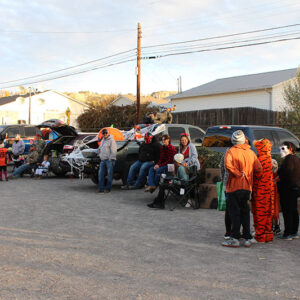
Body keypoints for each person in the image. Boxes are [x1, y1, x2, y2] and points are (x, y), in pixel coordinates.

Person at [222, 130, 262, 248]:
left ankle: (234, 238)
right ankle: (247, 238)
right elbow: (259, 169)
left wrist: (238, 174)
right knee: (245, 212)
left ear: (233, 140)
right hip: (247, 187)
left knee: (234, 213)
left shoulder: (230, 151)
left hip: (234, 186)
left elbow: (227, 166)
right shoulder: (251, 153)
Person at [251, 139, 274, 243]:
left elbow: (258, 175)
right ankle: (268, 234)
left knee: (260, 212)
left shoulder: (260, 159)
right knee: (268, 213)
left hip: (260, 190)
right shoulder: (269, 158)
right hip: (269, 190)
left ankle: (259, 235)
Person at [277, 141, 300, 240]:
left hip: (288, 188)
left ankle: (288, 233)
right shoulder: (296, 158)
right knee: (293, 210)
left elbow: (287, 172)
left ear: (290, 149)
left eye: (283, 148)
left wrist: (278, 178)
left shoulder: (289, 159)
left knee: (287, 210)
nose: (281, 151)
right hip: (294, 187)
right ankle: (294, 231)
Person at [97, 128, 117, 193]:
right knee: (100, 174)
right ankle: (101, 189)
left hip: (109, 160)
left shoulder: (111, 140)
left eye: (106, 133)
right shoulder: (102, 140)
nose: (105, 134)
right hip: (102, 160)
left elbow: (114, 151)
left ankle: (108, 189)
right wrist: (98, 154)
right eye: (103, 133)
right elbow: (100, 148)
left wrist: (110, 159)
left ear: (108, 133)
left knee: (109, 175)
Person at [219, 149, 231, 239]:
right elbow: (222, 167)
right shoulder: (227, 151)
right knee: (230, 209)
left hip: (239, 186)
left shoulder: (247, 151)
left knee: (238, 210)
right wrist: (224, 180)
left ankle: (234, 231)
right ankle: (229, 231)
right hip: (229, 186)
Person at [271, 159, 281, 235]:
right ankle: (275, 226)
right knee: (274, 209)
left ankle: (275, 226)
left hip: (273, 190)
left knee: (274, 209)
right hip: (274, 190)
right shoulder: (274, 161)